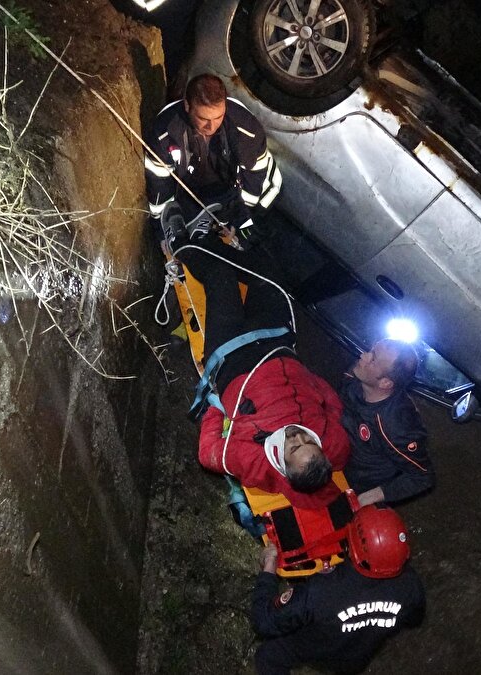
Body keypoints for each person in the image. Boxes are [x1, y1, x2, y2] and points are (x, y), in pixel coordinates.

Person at [184, 235, 348, 509]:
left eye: (294, 446)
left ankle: (181, 241)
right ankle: (221, 238)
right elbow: (334, 407)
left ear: (283, 467)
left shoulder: (254, 462)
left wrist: (218, 405)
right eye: (309, 440)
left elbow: (207, 453)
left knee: (221, 277)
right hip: (277, 343)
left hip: (233, 356)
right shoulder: (336, 446)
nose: (298, 435)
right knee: (269, 276)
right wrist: (310, 381)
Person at [250, 504, 426, 674]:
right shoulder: (411, 587)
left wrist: (268, 570)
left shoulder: (321, 589)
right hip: (357, 658)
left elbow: (264, 622)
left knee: (269, 656)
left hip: (319, 647)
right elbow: (414, 619)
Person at [144, 73, 281, 253]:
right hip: (192, 189)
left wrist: (242, 214)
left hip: (237, 187)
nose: (211, 127)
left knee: (253, 232)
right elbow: (159, 184)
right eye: (203, 119)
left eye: (218, 117)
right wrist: (161, 227)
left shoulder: (246, 128)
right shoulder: (164, 132)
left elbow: (256, 174)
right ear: (187, 106)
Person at [340, 339, 435, 506]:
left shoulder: (397, 426)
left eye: (373, 359)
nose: (363, 356)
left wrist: (365, 498)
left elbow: (422, 477)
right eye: (370, 350)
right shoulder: (356, 375)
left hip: (358, 484)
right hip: (337, 458)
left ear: (385, 383)